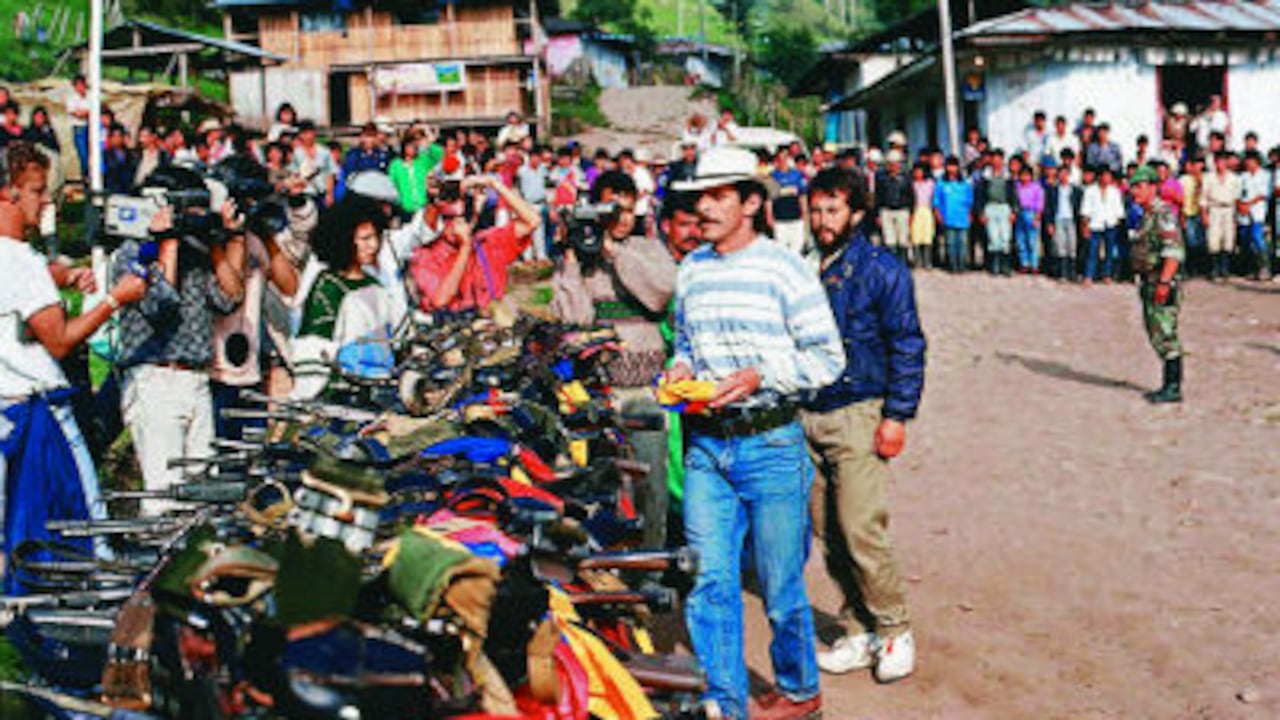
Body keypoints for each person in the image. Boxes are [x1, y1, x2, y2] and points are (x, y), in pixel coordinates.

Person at [666, 146, 844, 720]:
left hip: (771, 444)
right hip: (706, 448)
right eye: (701, 197)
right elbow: (686, 344)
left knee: (780, 587)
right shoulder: (691, 268)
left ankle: (799, 690)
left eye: (719, 196)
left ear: (750, 202)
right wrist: (681, 370)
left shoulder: (784, 268)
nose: (706, 207)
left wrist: (760, 376)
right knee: (709, 580)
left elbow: (828, 358)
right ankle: (724, 700)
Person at [803, 166, 925, 684]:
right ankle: (857, 628)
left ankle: (895, 628)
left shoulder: (883, 270)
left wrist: (897, 415)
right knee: (827, 530)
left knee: (860, 528)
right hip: (809, 411)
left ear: (856, 212)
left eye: (833, 209)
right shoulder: (806, 266)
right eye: (816, 208)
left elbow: (909, 344)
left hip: (860, 410)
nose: (822, 219)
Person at [0, 142, 147, 552]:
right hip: (39, 411)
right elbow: (61, 341)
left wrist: (63, 276)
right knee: (87, 519)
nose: (46, 201)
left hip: (7, 408)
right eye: (37, 190)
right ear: (8, 193)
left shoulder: (20, 261)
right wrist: (116, 298)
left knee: (15, 529)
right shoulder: (21, 262)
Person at [110, 165, 246, 513]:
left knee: (203, 497)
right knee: (165, 498)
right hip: (156, 380)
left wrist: (224, 241)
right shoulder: (132, 254)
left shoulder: (196, 251)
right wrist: (166, 240)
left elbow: (230, 297)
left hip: (197, 379)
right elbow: (161, 305)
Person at [409, 174, 539, 315]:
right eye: (449, 218)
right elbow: (440, 300)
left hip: (493, 327)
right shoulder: (426, 256)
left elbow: (533, 220)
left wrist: (495, 185)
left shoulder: (487, 242)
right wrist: (464, 249)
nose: (455, 225)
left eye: (462, 218)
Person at [1128, 165, 1185, 404]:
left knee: (1165, 334)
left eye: (1139, 187)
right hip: (1149, 281)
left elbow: (1173, 252)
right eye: (1133, 187)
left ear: (1153, 187)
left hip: (1161, 281)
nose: (1134, 192)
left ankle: (1173, 387)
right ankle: (1168, 384)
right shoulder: (1147, 214)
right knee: (1155, 333)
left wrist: (1164, 282)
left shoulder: (1163, 214)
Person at [1080, 166, 1125, 284]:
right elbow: (1085, 210)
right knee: (1092, 251)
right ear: (1099, 177)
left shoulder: (1115, 191)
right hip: (1095, 223)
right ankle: (1089, 275)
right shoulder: (1090, 190)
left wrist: (1117, 223)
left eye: (1109, 176)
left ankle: (1107, 274)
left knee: (1109, 252)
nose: (1107, 178)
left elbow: (1119, 210)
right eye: (1105, 175)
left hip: (1110, 223)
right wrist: (1085, 225)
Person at [1200, 152, 1240, 281]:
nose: (1220, 165)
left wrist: (1236, 215)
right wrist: (1204, 214)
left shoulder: (1234, 178)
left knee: (1228, 238)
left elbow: (1237, 198)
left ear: (1226, 163)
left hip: (1229, 208)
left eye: (1223, 162)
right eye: (1218, 162)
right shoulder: (1208, 177)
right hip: (1214, 208)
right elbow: (1203, 198)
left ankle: (1225, 269)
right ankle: (1214, 269)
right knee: (1213, 238)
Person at [976, 150, 1016, 275]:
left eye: (999, 159)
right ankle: (994, 265)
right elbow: (980, 195)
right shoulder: (985, 176)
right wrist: (981, 212)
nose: (996, 162)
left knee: (1005, 236)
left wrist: (1014, 211)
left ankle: (1005, 265)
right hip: (990, 207)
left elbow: (1013, 196)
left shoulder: (1008, 177)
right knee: (993, 237)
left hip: (1004, 207)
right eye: (994, 159)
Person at [934, 156, 974, 273]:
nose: (952, 168)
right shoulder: (941, 183)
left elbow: (969, 200)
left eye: (954, 165)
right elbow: (937, 200)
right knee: (950, 242)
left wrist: (970, 214)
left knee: (962, 243)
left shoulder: (965, 183)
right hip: (948, 216)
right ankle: (952, 265)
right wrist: (938, 213)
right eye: (949, 165)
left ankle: (961, 265)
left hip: (962, 217)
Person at [1045, 159, 1083, 281]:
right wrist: (1049, 223)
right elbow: (1049, 208)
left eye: (1066, 174)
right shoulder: (1054, 189)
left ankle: (1072, 272)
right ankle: (1062, 272)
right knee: (1060, 245)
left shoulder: (1075, 190)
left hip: (1071, 220)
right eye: (1061, 174)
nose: (1063, 176)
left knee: (1072, 245)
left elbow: (1079, 207)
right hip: (1058, 219)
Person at [770, 148, 810, 257]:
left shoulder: (797, 175)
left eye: (785, 158)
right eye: (780, 158)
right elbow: (768, 200)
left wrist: (805, 215)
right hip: (780, 221)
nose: (783, 161)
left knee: (796, 251)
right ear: (777, 160)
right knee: (781, 252)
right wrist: (770, 218)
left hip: (796, 219)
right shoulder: (772, 177)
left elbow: (802, 196)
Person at [1238, 151, 1271, 281]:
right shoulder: (1243, 176)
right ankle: (1251, 268)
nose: (1248, 163)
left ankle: (1265, 267)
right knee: (1246, 240)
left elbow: (1263, 193)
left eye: (1250, 161)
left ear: (1256, 161)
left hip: (1258, 212)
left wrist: (1249, 204)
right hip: (1243, 213)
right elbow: (1238, 193)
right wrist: (1240, 205)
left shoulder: (1265, 175)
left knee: (1257, 238)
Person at [875, 149, 912, 264]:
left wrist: (910, 211)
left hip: (902, 209)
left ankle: (903, 263)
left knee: (903, 239)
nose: (894, 166)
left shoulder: (906, 178)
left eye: (896, 163)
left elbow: (910, 195)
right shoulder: (881, 178)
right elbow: (878, 196)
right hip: (886, 210)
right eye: (891, 163)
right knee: (889, 239)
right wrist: (878, 214)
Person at [290, 120, 336, 208]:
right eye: (303, 133)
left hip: (322, 192)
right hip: (305, 194)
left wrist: (330, 194)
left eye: (309, 132)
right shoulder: (297, 153)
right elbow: (294, 174)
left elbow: (330, 174)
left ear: (314, 133)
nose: (307, 136)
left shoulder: (324, 151)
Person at [1014, 165, 1044, 273]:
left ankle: (1034, 264)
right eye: (1022, 175)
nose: (1024, 177)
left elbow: (1039, 203)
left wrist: (1037, 217)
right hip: (1020, 213)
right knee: (1021, 239)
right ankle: (1024, 264)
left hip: (1031, 213)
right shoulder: (1017, 186)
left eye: (1027, 175)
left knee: (1032, 241)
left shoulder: (1036, 187)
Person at [1179, 155, 1206, 275]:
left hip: (1201, 213)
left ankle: (1200, 267)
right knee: (1190, 241)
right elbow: (1181, 198)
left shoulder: (1205, 178)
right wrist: (1182, 215)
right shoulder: (1183, 180)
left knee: (1201, 241)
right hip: (1188, 212)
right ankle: (1191, 267)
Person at [909, 162, 936, 269]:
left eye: (920, 171)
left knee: (927, 235)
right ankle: (917, 260)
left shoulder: (930, 183)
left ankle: (927, 261)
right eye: (916, 171)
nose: (918, 173)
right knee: (915, 235)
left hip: (927, 209)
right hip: (915, 210)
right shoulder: (911, 184)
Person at [66, 75, 91, 177]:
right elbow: (77, 113)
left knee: (92, 155)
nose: (81, 87)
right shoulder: (71, 98)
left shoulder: (91, 96)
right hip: (79, 129)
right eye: (78, 85)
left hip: (91, 128)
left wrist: (85, 112)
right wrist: (86, 113)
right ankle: (86, 176)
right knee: (83, 155)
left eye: (82, 84)